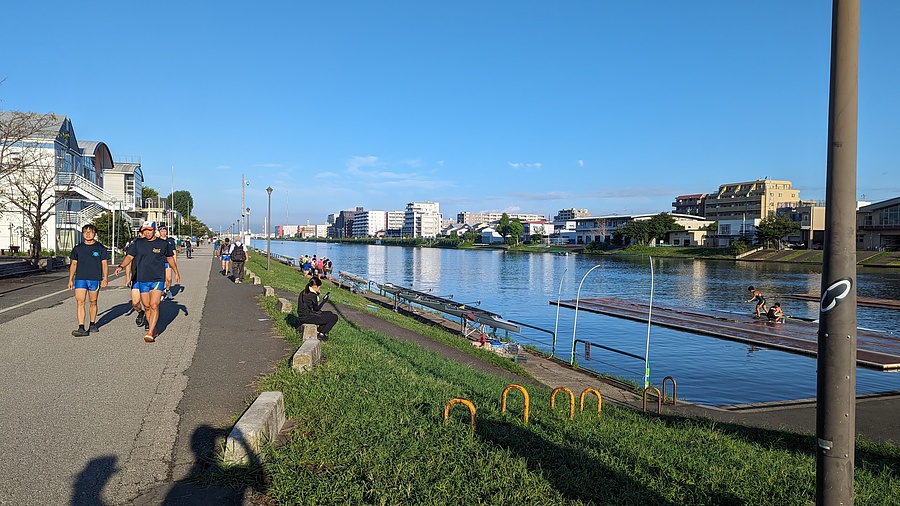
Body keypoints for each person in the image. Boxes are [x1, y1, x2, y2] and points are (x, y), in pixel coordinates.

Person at [114, 221, 181, 343]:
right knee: (147, 306)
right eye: (144, 230)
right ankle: (153, 327)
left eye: (149, 230)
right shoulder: (138, 243)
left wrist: (176, 272)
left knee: (154, 305)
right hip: (142, 279)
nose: (147, 232)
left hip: (157, 279)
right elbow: (129, 256)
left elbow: (170, 258)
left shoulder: (162, 244)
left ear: (154, 230)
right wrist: (121, 266)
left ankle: (150, 332)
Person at [68, 224, 109, 337]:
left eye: (90, 232)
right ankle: (81, 327)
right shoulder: (78, 248)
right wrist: (70, 279)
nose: (88, 234)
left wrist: (105, 278)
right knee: (80, 302)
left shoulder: (100, 248)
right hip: (81, 278)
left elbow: (104, 264)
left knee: (93, 302)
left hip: (94, 279)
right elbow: (74, 264)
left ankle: (92, 323)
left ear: (94, 234)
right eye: (85, 232)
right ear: (82, 234)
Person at [159, 226, 178, 300]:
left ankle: (167, 290)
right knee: (160, 279)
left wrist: (174, 263)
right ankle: (161, 293)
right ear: (159, 232)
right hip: (159, 262)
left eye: (165, 231)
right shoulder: (157, 241)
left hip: (168, 262)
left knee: (169, 279)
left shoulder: (170, 241)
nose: (163, 233)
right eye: (162, 231)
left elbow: (174, 252)